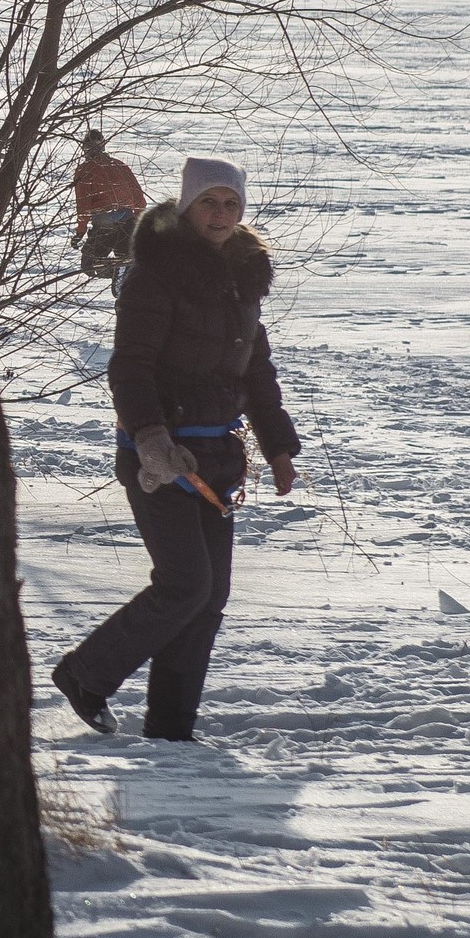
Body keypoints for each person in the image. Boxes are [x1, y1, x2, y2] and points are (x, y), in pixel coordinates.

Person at [51, 157, 301, 740]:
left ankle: (171, 725)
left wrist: (279, 446)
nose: (220, 214)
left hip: (217, 454)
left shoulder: (242, 275)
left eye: (231, 204)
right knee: (185, 582)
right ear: (188, 206)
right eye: (210, 202)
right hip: (158, 459)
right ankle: (86, 674)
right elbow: (129, 367)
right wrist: (151, 439)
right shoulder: (154, 274)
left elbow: (255, 370)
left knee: (210, 594)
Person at [71, 131, 147, 283]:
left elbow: (83, 204)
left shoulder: (84, 170)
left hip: (105, 221)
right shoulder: (120, 165)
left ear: (85, 149)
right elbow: (139, 198)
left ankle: (117, 271)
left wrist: (80, 231)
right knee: (127, 260)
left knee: (90, 265)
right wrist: (139, 223)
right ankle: (124, 280)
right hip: (128, 220)